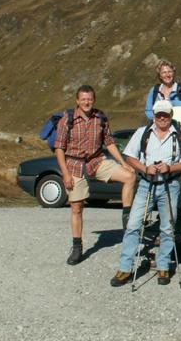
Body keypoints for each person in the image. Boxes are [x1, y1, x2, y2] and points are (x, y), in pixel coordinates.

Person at [110, 100, 181, 287]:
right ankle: (125, 268)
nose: (162, 118)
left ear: (171, 114)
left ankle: (163, 265)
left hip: (170, 185)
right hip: (146, 185)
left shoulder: (180, 135)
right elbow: (130, 156)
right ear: (154, 116)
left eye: (165, 114)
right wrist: (144, 168)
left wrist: (170, 168)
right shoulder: (143, 133)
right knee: (133, 225)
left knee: (167, 228)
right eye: (159, 115)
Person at [54, 85, 136, 266]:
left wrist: (123, 163)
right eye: (83, 99)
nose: (86, 102)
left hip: (96, 161)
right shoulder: (67, 119)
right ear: (77, 101)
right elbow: (59, 148)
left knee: (130, 177)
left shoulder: (100, 118)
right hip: (74, 164)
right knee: (77, 207)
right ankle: (77, 246)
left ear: (94, 99)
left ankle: (127, 217)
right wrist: (65, 174)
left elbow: (109, 143)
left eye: (89, 99)